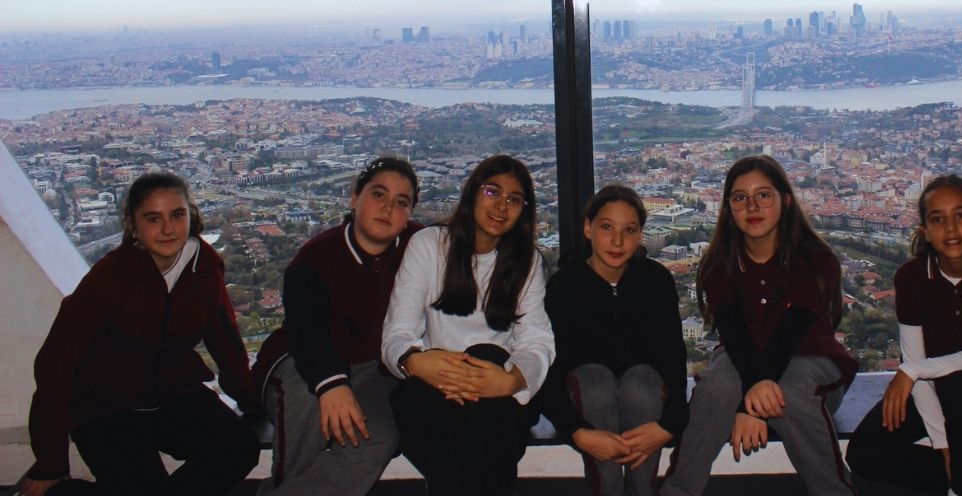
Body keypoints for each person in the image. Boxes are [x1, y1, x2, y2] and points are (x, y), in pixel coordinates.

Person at [19, 172, 261, 496]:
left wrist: (250, 400)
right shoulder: (110, 276)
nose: (168, 229)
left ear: (191, 216)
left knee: (240, 448)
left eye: (177, 215)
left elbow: (224, 339)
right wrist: (51, 461)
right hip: (106, 406)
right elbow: (55, 364)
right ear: (133, 225)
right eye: (153, 218)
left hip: (175, 394)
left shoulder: (203, 267)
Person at [660, 155, 858, 496]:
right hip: (743, 358)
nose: (752, 206)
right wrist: (747, 397)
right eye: (740, 198)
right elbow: (734, 334)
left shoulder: (814, 259)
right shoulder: (720, 264)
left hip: (812, 361)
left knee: (790, 391)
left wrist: (747, 408)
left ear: (785, 200)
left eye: (763, 195)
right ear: (728, 208)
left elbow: (788, 336)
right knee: (715, 385)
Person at [382, 154, 555, 496]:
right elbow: (397, 333)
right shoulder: (429, 246)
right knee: (461, 421)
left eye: (514, 199)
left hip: (498, 391)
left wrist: (509, 381)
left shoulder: (526, 262)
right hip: (434, 385)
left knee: (487, 357)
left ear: (523, 211)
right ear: (472, 193)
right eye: (492, 192)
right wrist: (418, 362)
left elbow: (537, 341)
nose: (501, 206)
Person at [252, 156, 424, 495]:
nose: (387, 208)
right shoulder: (317, 257)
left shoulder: (421, 248)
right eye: (378, 194)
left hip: (377, 370)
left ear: (409, 213)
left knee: (378, 437)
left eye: (401, 202)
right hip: (302, 361)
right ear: (354, 197)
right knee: (308, 401)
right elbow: (307, 330)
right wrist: (331, 384)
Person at [845, 174, 962, 496]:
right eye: (938, 219)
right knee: (863, 453)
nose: (951, 228)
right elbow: (916, 359)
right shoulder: (911, 277)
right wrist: (943, 447)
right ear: (925, 231)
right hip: (925, 388)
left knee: (959, 393)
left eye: (961, 216)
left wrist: (911, 371)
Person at [541, 184, 688, 496]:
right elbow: (550, 370)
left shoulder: (655, 281)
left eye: (629, 230)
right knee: (595, 381)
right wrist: (577, 432)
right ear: (588, 228)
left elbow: (673, 358)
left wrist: (668, 426)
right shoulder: (564, 287)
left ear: (640, 234)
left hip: (643, 397)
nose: (618, 241)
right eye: (607, 227)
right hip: (589, 400)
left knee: (642, 380)